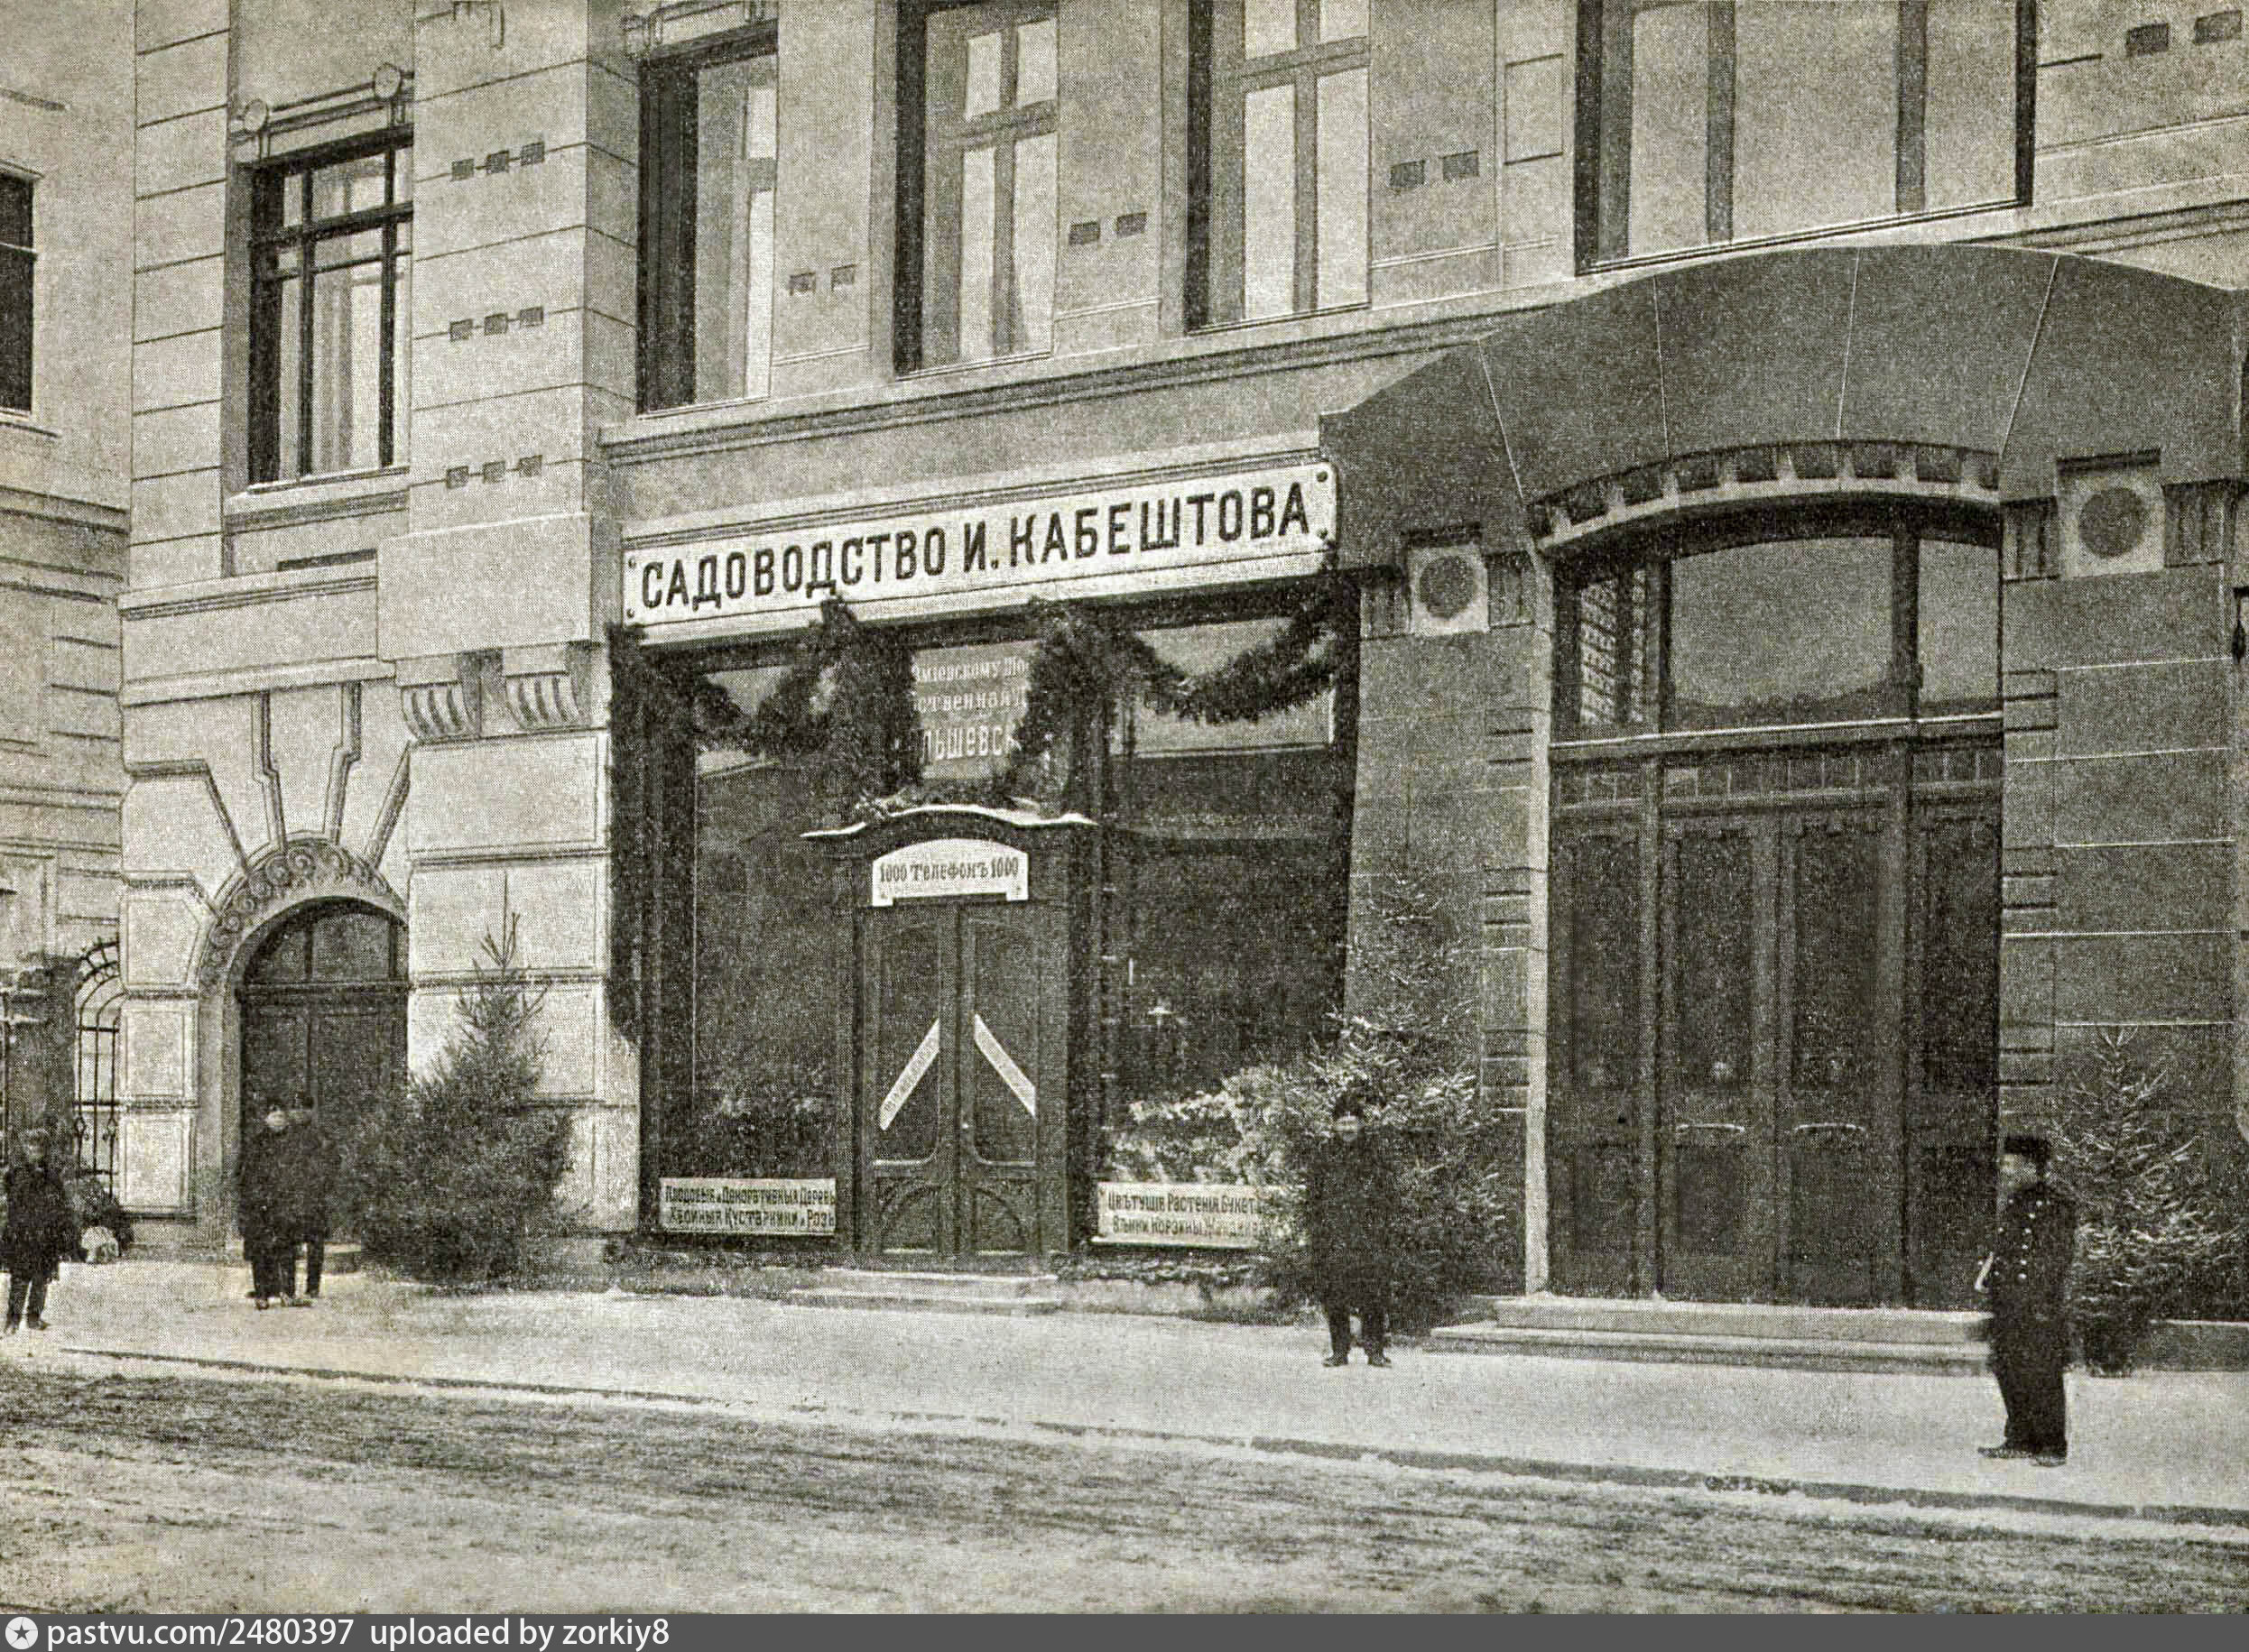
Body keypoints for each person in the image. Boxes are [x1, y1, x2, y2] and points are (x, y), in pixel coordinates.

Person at [1976, 1133, 2078, 1466]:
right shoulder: (2014, 1202)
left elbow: (2056, 1258)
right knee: (2009, 1369)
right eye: (2006, 1163)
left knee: (2042, 1373)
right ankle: (2019, 1438)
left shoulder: (2056, 1205)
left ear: (2032, 1166)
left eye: (2012, 1164)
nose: (2006, 1170)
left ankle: (2052, 1445)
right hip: (2009, 1304)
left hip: (2037, 1305)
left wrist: (2041, 1300)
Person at [1303, 1093, 1398, 1368]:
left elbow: (1387, 1194)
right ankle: (1339, 1351)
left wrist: (1381, 1228)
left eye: (1352, 1122)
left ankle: (1375, 1351)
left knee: (1373, 1295)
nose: (1347, 1128)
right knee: (1335, 1296)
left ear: (1361, 1124)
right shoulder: (1324, 1155)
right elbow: (1313, 1198)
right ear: (1334, 1125)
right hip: (1334, 1237)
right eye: (1342, 1123)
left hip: (1368, 1237)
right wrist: (1318, 1232)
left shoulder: (1374, 1154)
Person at [4, 1127, 78, 1335]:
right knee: (20, 1278)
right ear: (24, 1149)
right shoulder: (16, 1174)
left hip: (45, 1234)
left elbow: (60, 1204)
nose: (33, 1151)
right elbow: (12, 1201)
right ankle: (13, 1319)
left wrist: (60, 1231)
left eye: (38, 1148)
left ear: (44, 1151)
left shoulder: (51, 1176)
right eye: (30, 1147)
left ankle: (34, 1317)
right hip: (23, 1233)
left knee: (41, 1278)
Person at [239, 1106, 300, 1309]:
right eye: (274, 1116)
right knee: (260, 1250)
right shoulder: (256, 1143)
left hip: (285, 1203)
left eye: (281, 1116)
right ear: (266, 1119)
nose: (278, 1120)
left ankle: (288, 1293)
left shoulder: (292, 1143)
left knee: (287, 1248)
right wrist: (258, 1199)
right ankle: (262, 1294)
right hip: (261, 1205)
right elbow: (246, 1175)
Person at [285, 1105, 332, 1304]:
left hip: (314, 1199)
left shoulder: (321, 1135)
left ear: (311, 1111)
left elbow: (332, 1162)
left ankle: (313, 1286)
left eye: (304, 1108)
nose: (299, 1113)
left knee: (315, 1244)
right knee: (287, 1243)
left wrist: (322, 1185)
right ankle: (287, 1288)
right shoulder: (286, 1135)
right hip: (291, 1198)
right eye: (295, 1109)